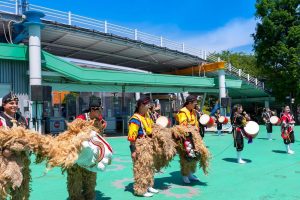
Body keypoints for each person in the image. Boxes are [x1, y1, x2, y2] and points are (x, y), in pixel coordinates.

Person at [67, 98, 107, 200]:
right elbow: (71, 133)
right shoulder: (81, 118)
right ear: (92, 109)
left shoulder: (100, 120)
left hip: (91, 156)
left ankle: (89, 196)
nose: (100, 111)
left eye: (100, 109)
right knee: (76, 179)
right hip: (78, 154)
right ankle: (76, 197)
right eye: (98, 109)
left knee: (90, 178)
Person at [0, 92, 30, 200]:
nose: (14, 105)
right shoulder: (0, 119)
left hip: (21, 159)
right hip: (4, 160)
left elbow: (28, 135)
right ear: (4, 105)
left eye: (16, 103)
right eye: (11, 103)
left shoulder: (22, 119)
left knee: (21, 189)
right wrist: (3, 150)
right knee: (2, 187)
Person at [128, 96, 158, 197]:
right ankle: (140, 190)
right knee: (140, 168)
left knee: (149, 166)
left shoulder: (146, 116)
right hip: (140, 145)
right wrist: (133, 151)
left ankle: (148, 185)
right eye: (147, 104)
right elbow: (132, 137)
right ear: (141, 106)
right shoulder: (135, 119)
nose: (149, 106)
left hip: (148, 145)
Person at [176, 95, 200, 183]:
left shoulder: (193, 111)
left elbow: (196, 123)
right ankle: (185, 175)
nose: (195, 105)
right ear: (189, 103)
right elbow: (183, 126)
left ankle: (190, 173)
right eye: (194, 103)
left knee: (194, 155)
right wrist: (192, 129)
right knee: (186, 156)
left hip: (194, 136)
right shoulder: (183, 112)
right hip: (185, 137)